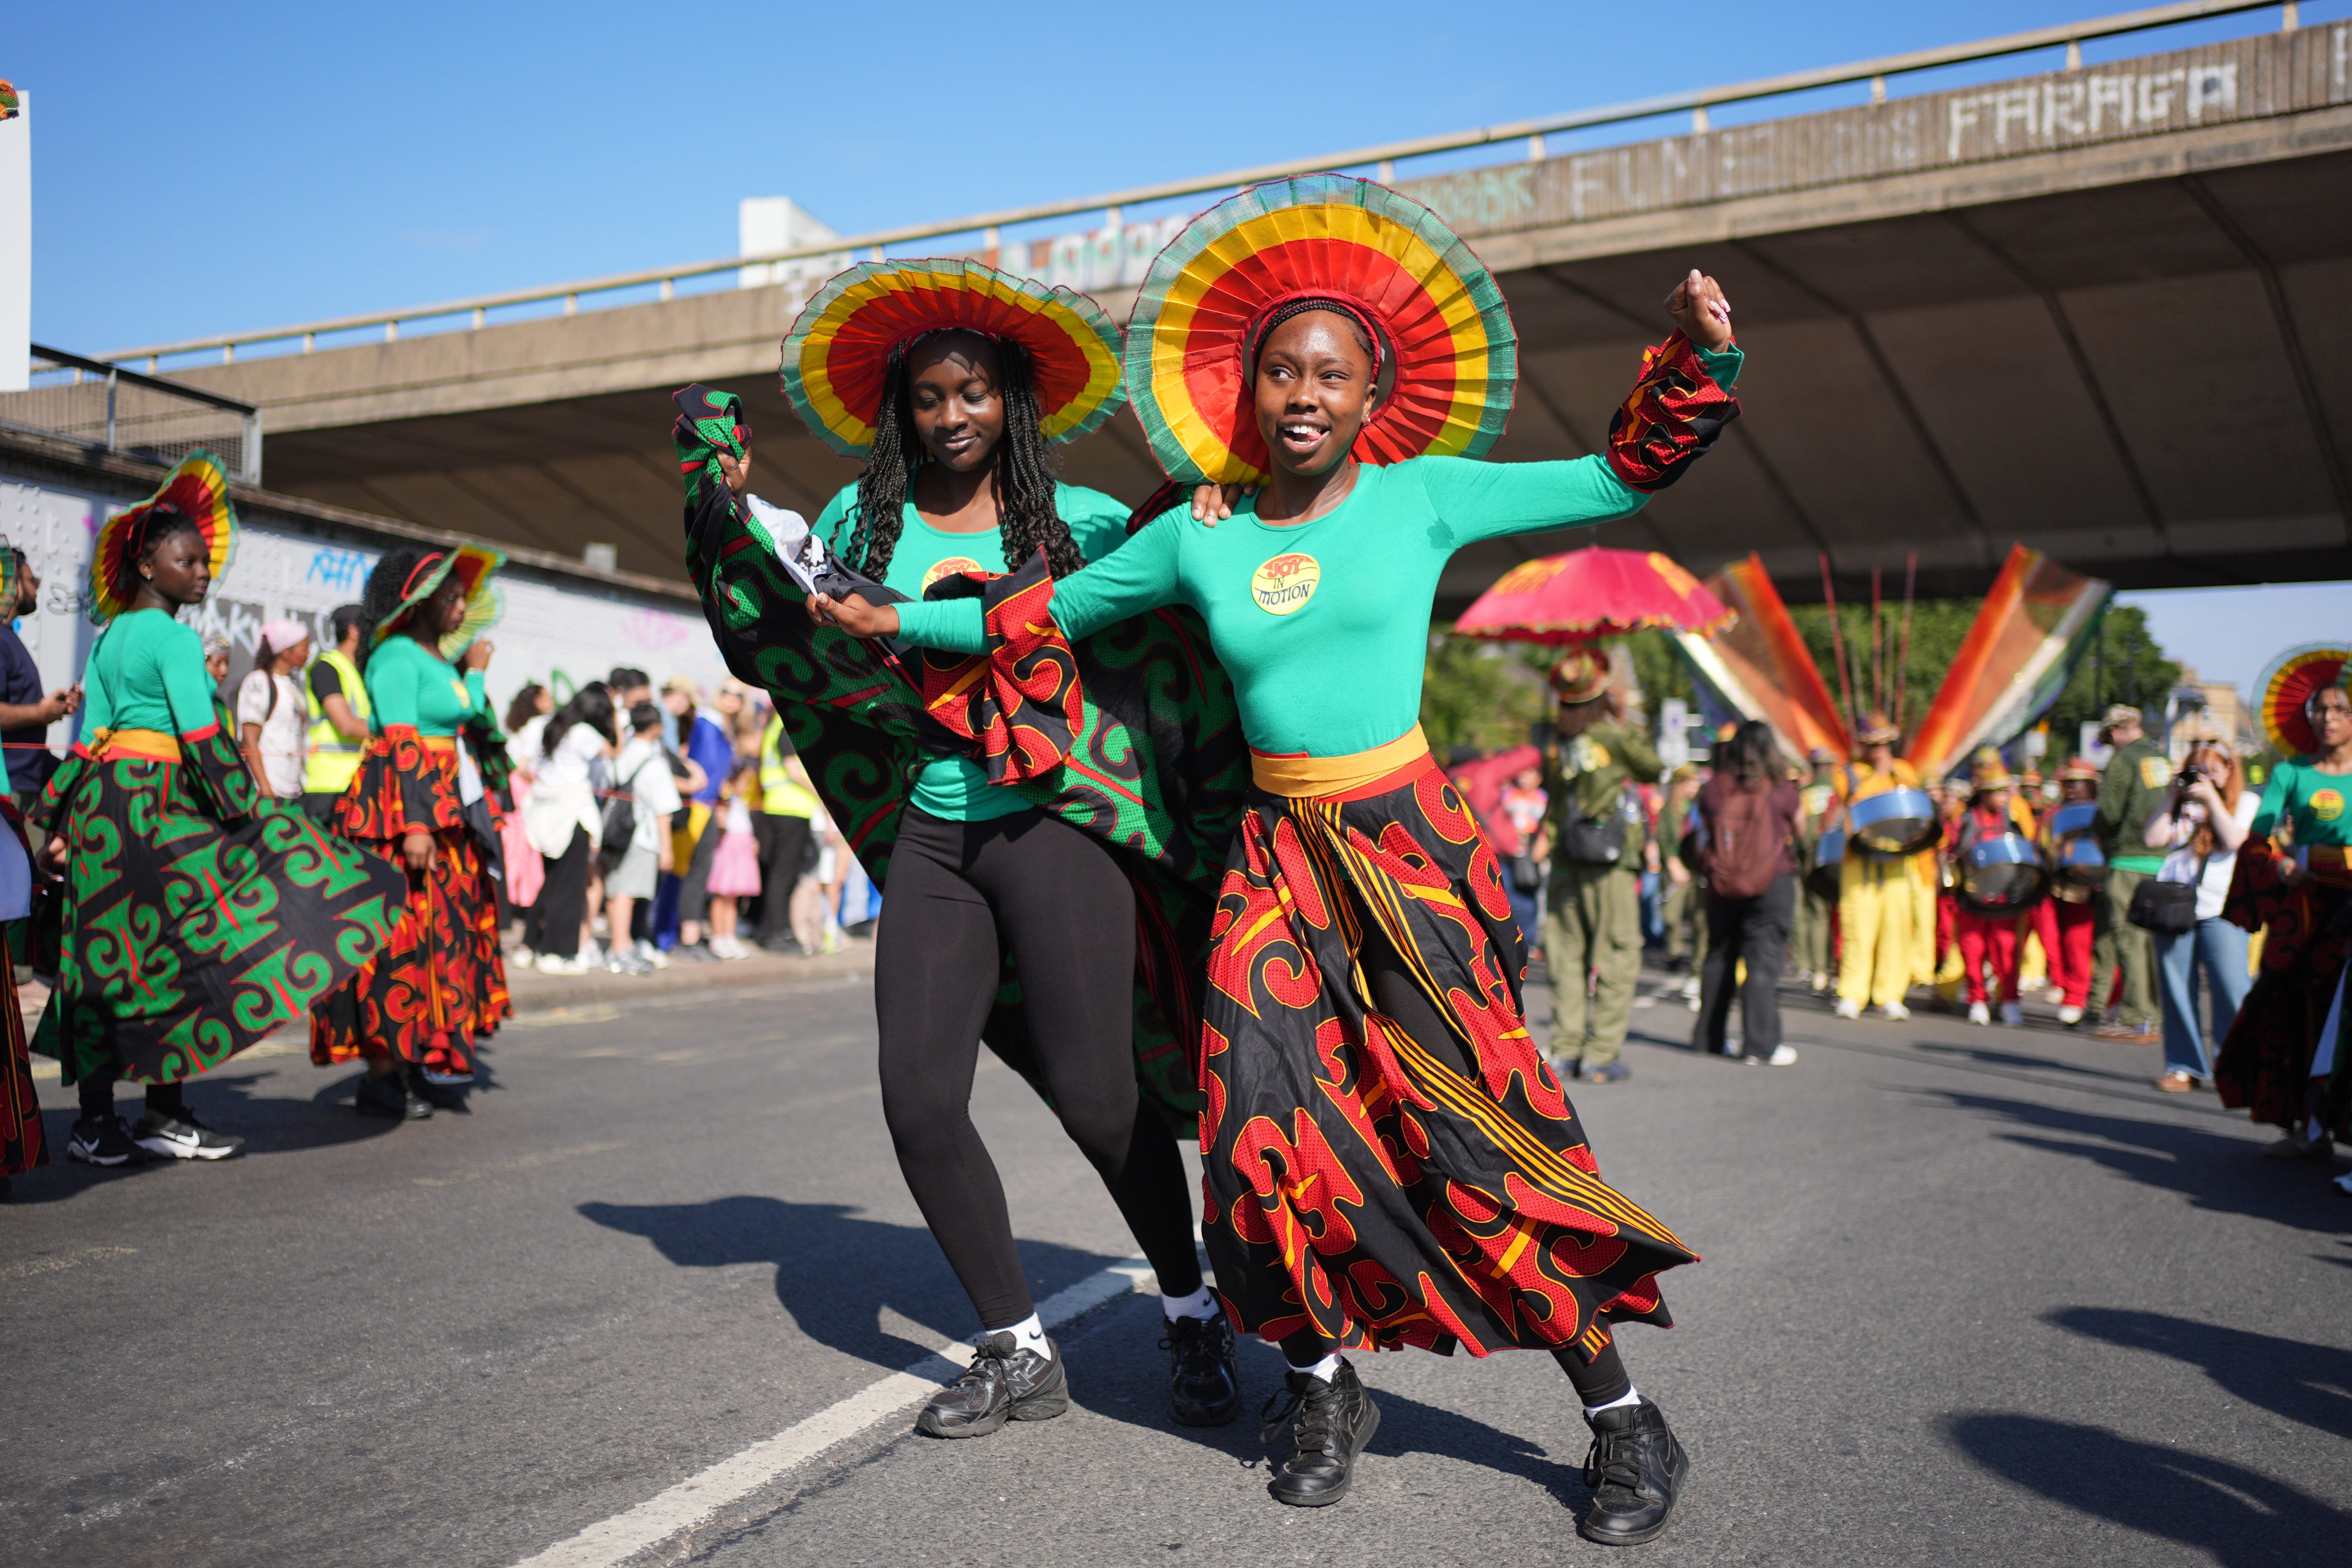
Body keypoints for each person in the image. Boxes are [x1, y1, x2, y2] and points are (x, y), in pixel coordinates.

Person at [818, 178, 1740, 1542]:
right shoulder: (1203, 530)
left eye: (1331, 373)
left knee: (1473, 1135)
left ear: (1374, 397)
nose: (1303, 392)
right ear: (1247, 391)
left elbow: (1620, 473)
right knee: (1257, 1131)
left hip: (1407, 854)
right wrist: (891, 612)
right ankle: (1319, 1383)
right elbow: (1045, 613)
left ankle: (1621, 1416)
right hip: (1274, 858)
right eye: (1281, 371)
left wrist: (1694, 360)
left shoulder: (1423, 497)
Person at [708, 254, 1241, 1443]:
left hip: (1058, 831)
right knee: (917, 1099)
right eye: (928, 397)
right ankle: (1015, 1343)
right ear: (899, 409)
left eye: (975, 392)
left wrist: (1205, 507)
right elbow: (796, 639)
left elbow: (1188, 624)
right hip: (933, 835)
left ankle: (1191, 1304)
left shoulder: (1088, 519)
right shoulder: (860, 518)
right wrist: (728, 512)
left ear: (1017, 399)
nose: (951, 416)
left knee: (1103, 1103)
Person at [38, 454, 404, 1161]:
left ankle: (95, 1121)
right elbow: (203, 742)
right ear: (147, 566)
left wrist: (46, 819)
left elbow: (86, 745)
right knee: (180, 954)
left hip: (103, 813)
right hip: (159, 810)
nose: (202, 573)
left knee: (103, 961)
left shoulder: (112, 637)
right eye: (188, 561)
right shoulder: (175, 639)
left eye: (206, 563)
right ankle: (164, 1113)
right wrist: (252, 819)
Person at [309, 544, 512, 1118]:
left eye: (460, 596)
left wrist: (473, 672)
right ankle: (381, 1074)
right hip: (402, 813)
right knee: (399, 940)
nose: (459, 605)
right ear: (418, 602)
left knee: (441, 936)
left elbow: (469, 717)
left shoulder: (439, 659)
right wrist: (417, 825)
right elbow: (399, 741)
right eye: (449, 596)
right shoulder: (397, 654)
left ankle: (418, 1057)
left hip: (447, 809)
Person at [2212, 647, 2352, 1161]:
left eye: (2341, 709)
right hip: (2307, 915)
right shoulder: (2291, 773)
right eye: (2321, 709)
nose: (2328, 718)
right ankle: (2306, 1127)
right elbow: (2259, 839)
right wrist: (2282, 864)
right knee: (2295, 1014)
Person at [1541, 651, 1662, 1083]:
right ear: (1600, 694)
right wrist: (1625, 713)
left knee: (1565, 953)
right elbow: (1653, 768)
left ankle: (1564, 1048)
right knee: (1617, 952)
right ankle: (1600, 1053)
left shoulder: (1555, 743)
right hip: (1610, 859)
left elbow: (1551, 794)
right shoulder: (1613, 735)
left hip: (1565, 856)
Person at [2142, 741, 2256, 1091]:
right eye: (2197, 769)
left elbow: (2236, 840)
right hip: (2175, 907)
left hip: (2224, 907)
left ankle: (2235, 1067)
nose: (2205, 777)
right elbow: (2153, 838)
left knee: (2232, 988)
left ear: (2229, 771)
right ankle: (2183, 1066)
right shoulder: (2183, 805)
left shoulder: (2246, 802)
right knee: (2176, 989)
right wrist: (2172, 798)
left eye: (2213, 770)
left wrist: (2212, 801)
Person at [1692, 721, 1801, 1064]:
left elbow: (1699, 832)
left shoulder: (1713, 789)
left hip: (1722, 883)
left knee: (1719, 957)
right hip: (1773, 880)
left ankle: (1709, 1038)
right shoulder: (1782, 788)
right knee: (1763, 960)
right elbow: (1801, 829)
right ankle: (1760, 1044)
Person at [1831, 711, 1926, 1021]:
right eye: (1874, 744)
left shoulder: (1904, 771)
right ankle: (1852, 993)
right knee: (1858, 926)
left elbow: (1915, 806)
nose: (1880, 750)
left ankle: (1890, 994)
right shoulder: (1848, 773)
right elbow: (1851, 805)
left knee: (1896, 928)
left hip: (1896, 858)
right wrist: (1877, 774)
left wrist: (1892, 774)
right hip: (1859, 861)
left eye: (1885, 743)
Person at [522, 685, 619, 975]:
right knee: (570, 886)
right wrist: (618, 717)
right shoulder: (585, 732)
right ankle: (558, 953)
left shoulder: (552, 725)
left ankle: (531, 945)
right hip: (573, 814)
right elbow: (614, 751)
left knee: (551, 882)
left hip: (545, 813)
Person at [2092, 704, 2167, 1043]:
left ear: (2118, 730)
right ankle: (2154, 1014)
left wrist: (2101, 836)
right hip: (2160, 860)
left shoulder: (2123, 761)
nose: (2110, 744)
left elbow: (2109, 812)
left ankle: (2139, 1018)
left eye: (2109, 738)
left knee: (2128, 938)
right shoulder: (2159, 759)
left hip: (2128, 860)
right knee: (2151, 941)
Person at [1948, 755, 2030, 1026]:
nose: (2004, 798)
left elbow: (2027, 849)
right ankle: (1977, 999)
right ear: (1983, 793)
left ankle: (2009, 1001)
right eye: (1998, 792)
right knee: (1973, 948)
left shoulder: (2014, 818)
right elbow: (1955, 850)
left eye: (2006, 792)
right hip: (1974, 894)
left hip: (2005, 895)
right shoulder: (1968, 819)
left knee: (2006, 948)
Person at [602, 701, 679, 974]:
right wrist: (667, 849)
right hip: (640, 836)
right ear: (657, 728)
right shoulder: (655, 762)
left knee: (616, 891)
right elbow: (663, 810)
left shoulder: (623, 755)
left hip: (615, 833)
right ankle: (621, 949)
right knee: (627, 893)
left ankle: (620, 946)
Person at [0, 547, 79, 809]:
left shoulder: (8, 637)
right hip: (10, 788)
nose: (37, 589)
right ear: (14, 584)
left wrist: (51, 707)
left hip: (24, 783)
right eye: (33, 581)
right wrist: (41, 713)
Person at [670, 682, 739, 962]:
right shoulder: (707, 721)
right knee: (684, 873)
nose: (732, 699)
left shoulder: (724, 728)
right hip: (693, 806)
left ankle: (690, 937)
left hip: (708, 807)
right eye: (726, 692)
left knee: (698, 873)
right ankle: (682, 938)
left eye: (738, 695)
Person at [2034, 758, 2101, 1025]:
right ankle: (2062, 985)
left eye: (2079, 783)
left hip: (2086, 889)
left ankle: (2076, 997)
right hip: (2055, 885)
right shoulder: (2053, 814)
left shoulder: (2102, 812)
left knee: (2078, 943)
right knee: (2051, 941)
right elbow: (2041, 846)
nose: (2073, 788)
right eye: (2068, 783)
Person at [755, 712, 820, 953]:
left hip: (782, 806)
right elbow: (794, 771)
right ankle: (778, 933)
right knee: (784, 874)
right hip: (791, 807)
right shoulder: (787, 725)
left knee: (780, 872)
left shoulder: (775, 725)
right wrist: (823, 797)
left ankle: (772, 931)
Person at [302, 604, 370, 824]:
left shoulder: (359, 671)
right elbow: (346, 725)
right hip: (329, 787)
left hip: (356, 782)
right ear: (354, 630)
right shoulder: (327, 668)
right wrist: (394, 732)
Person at [236, 617, 312, 802]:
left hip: (292, 789)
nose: (309, 653)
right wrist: (266, 791)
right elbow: (250, 740)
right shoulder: (259, 682)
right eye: (304, 648)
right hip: (269, 790)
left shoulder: (293, 684)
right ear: (285, 652)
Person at [1790, 747, 1838, 992]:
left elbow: (1798, 830)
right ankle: (1828, 966)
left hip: (1806, 856)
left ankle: (1808, 965)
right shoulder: (1839, 789)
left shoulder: (1804, 793)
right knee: (1829, 914)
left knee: (1808, 911)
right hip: (1834, 858)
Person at [703, 759, 761, 959]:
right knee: (722, 897)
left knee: (733, 898)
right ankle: (718, 937)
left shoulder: (743, 803)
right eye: (745, 782)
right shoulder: (726, 802)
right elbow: (722, 825)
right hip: (728, 854)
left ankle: (729, 936)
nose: (747, 787)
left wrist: (752, 841)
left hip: (742, 854)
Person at [1657, 762, 1704, 985]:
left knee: (1699, 918)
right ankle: (1675, 952)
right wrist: (1672, 862)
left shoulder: (1698, 807)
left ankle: (1698, 962)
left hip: (1696, 869)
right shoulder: (1670, 809)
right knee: (1671, 915)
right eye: (1691, 783)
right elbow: (1664, 838)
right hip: (1676, 867)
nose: (1694, 788)